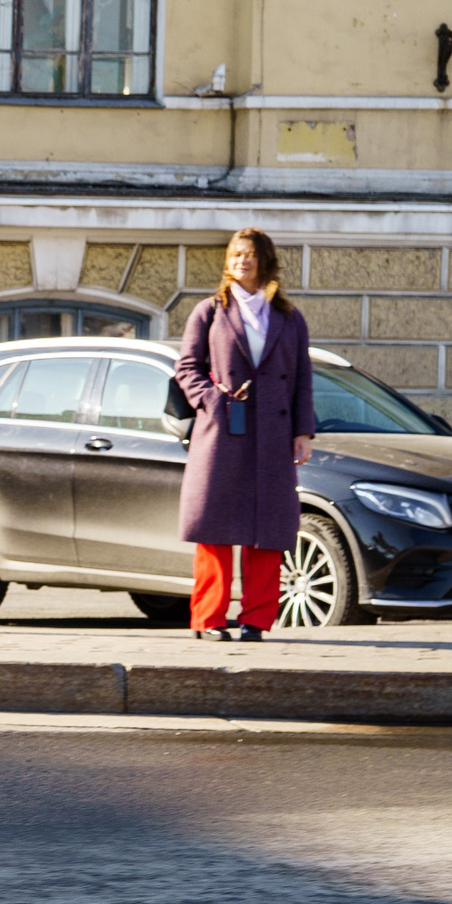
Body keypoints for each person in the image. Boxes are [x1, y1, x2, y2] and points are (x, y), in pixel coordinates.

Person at [174, 227, 315, 642]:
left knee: (267, 530)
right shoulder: (209, 311)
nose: (242, 261)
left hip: (272, 433)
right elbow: (187, 368)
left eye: (250, 254)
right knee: (216, 529)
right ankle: (209, 618)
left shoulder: (289, 317)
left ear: (265, 261)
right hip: (222, 434)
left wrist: (303, 431)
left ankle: (256, 619)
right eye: (236, 254)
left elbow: (303, 378)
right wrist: (212, 401)